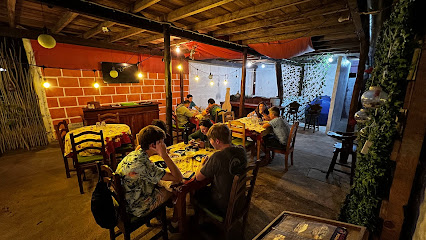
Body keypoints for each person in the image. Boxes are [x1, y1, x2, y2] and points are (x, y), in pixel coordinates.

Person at [116, 126, 183, 218]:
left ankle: (160, 214)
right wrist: (164, 155)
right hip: (136, 207)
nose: (164, 144)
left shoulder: (134, 154)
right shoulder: (143, 165)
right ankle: (176, 220)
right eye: (161, 142)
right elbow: (178, 177)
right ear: (153, 145)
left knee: (163, 184)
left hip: (127, 198)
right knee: (175, 189)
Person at [195, 123, 247, 215]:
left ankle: (202, 221)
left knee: (197, 192)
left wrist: (202, 164)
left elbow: (198, 177)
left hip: (223, 205)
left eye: (210, 140)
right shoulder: (241, 150)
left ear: (217, 141)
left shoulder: (217, 157)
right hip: (240, 199)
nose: (210, 142)